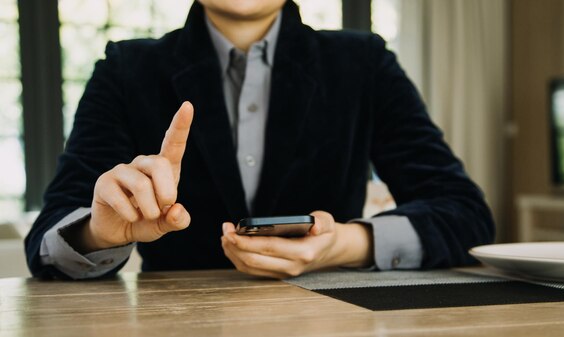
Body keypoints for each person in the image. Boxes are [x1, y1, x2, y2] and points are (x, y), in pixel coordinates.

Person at [25, 0, 495, 280]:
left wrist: (346, 244)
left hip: (329, 318)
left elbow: (465, 216)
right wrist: (100, 233)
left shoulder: (363, 63)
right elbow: (48, 241)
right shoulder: (126, 69)